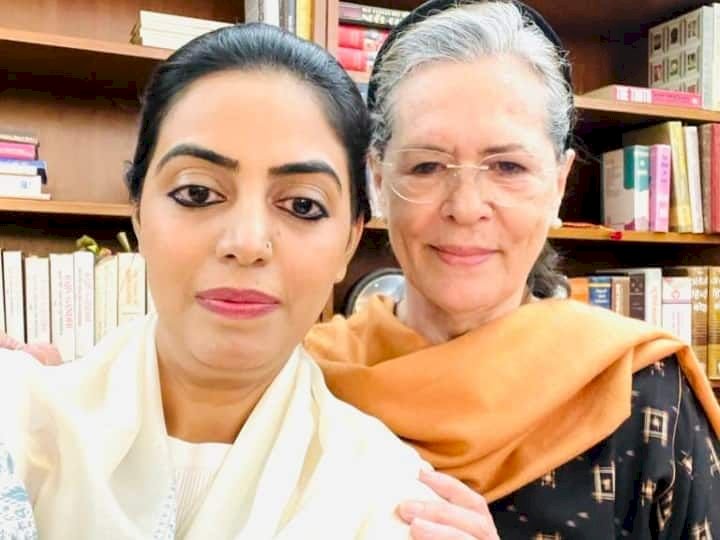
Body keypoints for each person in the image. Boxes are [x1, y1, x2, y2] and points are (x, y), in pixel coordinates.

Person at [0, 22, 503, 539]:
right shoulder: (17, 423)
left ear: (349, 243)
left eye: (302, 205)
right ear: (139, 215)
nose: (246, 242)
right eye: (197, 194)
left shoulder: (392, 500)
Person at [302, 1, 720, 538]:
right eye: (426, 165)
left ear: (559, 183)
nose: (466, 206)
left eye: (507, 166)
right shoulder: (306, 383)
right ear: (379, 180)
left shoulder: (646, 392)